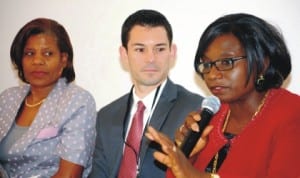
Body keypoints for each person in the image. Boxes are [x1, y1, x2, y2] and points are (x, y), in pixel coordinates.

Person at [145, 13, 300, 178]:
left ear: (262, 63)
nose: (212, 74)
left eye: (226, 62)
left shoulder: (291, 114)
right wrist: (187, 156)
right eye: (207, 64)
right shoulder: (210, 117)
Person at [89, 9, 203, 178]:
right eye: (140, 50)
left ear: (172, 52)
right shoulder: (105, 116)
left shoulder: (194, 110)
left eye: (160, 49)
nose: (151, 58)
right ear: (124, 54)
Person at [0, 18, 97, 178]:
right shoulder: (7, 99)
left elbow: (68, 176)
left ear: (63, 59)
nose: (37, 61)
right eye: (29, 53)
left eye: (47, 53)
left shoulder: (77, 101)